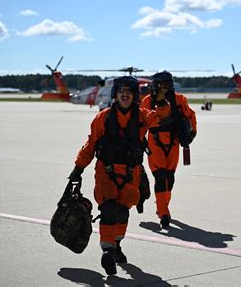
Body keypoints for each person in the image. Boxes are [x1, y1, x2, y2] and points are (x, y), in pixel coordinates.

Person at [67, 76, 170, 276]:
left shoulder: (142, 117)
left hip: (131, 174)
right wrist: (78, 169)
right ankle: (107, 250)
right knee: (108, 209)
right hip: (106, 172)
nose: (125, 94)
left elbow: (163, 118)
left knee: (123, 212)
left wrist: (160, 101)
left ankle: (117, 245)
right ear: (116, 94)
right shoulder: (103, 118)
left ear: (134, 96)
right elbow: (90, 145)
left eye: (129, 92)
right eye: (122, 91)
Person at [140, 71, 197, 228]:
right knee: (160, 177)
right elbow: (141, 121)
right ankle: (163, 211)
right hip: (155, 142)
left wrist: (192, 133)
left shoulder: (180, 100)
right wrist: (139, 140)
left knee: (170, 178)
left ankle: (164, 207)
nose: (164, 88)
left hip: (174, 142)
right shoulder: (147, 101)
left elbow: (190, 116)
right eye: (161, 85)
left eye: (167, 84)